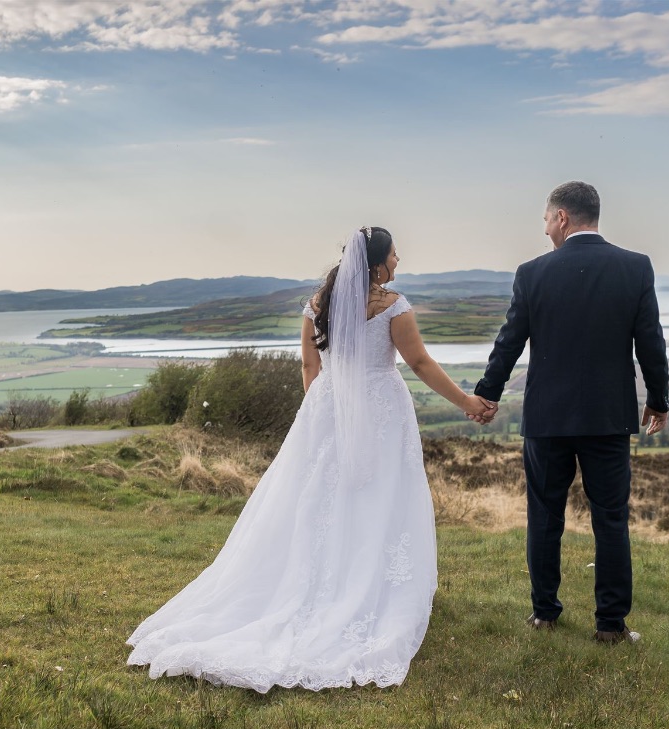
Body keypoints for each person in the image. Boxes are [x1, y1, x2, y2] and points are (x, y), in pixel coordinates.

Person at [127, 227, 495, 691]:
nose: (399, 261)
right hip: (381, 411)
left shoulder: (317, 305)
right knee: (378, 497)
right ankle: (366, 591)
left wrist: (325, 413)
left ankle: (324, 584)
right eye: (395, 255)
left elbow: (310, 367)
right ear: (377, 263)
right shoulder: (392, 306)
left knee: (319, 499)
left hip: (326, 409)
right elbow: (419, 364)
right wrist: (467, 402)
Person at [473, 181, 669, 644]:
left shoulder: (532, 272)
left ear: (562, 217)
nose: (545, 231)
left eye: (545, 220)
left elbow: (509, 343)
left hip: (548, 418)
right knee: (611, 519)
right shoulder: (635, 267)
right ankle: (610, 625)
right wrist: (658, 400)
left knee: (544, 516)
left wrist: (488, 393)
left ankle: (544, 613)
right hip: (608, 417)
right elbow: (651, 342)